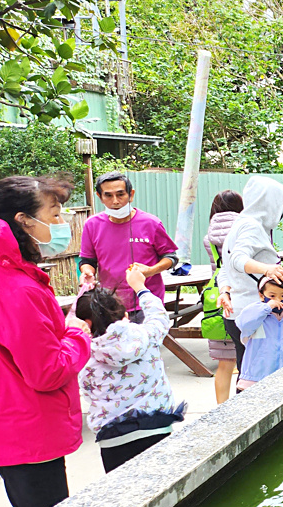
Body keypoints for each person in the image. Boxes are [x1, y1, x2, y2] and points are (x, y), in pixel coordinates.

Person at [0, 176, 92, 507]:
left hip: (1, 414)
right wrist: (78, 333)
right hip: (25, 423)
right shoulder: (11, 285)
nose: (61, 224)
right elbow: (47, 371)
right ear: (24, 221)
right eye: (54, 214)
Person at [75, 266, 185, 473]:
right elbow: (159, 316)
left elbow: (86, 390)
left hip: (113, 439)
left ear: (86, 324)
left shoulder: (83, 355)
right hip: (157, 427)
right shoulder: (146, 335)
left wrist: (82, 300)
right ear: (125, 314)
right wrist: (140, 287)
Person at [216, 176, 283, 377]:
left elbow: (224, 268)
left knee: (247, 372)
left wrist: (225, 290)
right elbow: (237, 260)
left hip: (237, 313)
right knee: (258, 376)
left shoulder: (240, 223)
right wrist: (268, 269)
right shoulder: (251, 226)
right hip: (254, 314)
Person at [79, 172, 179, 316]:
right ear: (100, 197)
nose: (115, 201)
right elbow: (87, 260)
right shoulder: (91, 225)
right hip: (109, 305)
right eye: (108, 195)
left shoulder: (151, 223)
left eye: (120, 194)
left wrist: (151, 270)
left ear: (131, 195)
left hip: (147, 303)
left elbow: (171, 257)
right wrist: (87, 272)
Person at [203, 190, 243, 403]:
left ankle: (221, 409)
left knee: (224, 363)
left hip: (217, 300)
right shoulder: (244, 232)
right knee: (246, 359)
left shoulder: (208, 237)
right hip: (241, 296)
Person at [235, 277, 283, 391]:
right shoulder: (256, 316)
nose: (278, 300)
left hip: (282, 381)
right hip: (254, 380)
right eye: (272, 296)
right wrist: (267, 307)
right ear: (262, 295)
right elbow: (244, 324)